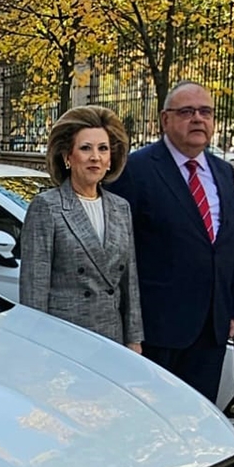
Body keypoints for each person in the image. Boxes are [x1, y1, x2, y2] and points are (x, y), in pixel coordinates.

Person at [104, 81, 234, 402]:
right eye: (187, 112)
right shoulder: (135, 170)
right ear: (165, 120)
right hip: (158, 327)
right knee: (153, 420)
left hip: (212, 327)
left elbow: (230, 246)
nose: (198, 119)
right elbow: (117, 253)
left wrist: (232, 308)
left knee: (198, 417)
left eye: (205, 112)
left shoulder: (223, 172)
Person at [20, 106, 144, 352]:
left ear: (111, 159)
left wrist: (134, 339)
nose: (95, 157)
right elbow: (34, 287)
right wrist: (34, 345)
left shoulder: (121, 208)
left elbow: (129, 282)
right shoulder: (47, 207)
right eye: (85, 148)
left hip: (111, 337)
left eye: (103, 149)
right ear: (68, 157)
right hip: (64, 339)